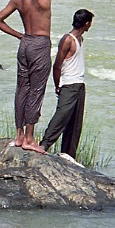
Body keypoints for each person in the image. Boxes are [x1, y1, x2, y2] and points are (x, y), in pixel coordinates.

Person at [0, 0, 77, 153]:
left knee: (21, 89)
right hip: (39, 44)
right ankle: (30, 139)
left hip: (25, 44)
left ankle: (19, 135)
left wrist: (20, 35)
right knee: (36, 90)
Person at [38, 9, 94, 159]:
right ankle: (44, 144)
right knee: (61, 116)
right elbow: (57, 65)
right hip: (69, 84)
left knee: (75, 124)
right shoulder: (68, 39)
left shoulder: (80, 39)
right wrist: (58, 85)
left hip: (79, 84)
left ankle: (68, 154)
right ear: (87, 23)